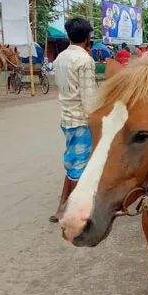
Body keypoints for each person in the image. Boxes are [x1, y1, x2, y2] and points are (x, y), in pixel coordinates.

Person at [50, 18, 97, 223]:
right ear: (88, 38)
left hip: (66, 118)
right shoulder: (85, 61)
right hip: (80, 120)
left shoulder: (60, 57)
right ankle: (75, 213)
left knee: (73, 164)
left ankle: (62, 205)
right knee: (79, 168)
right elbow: (89, 100)